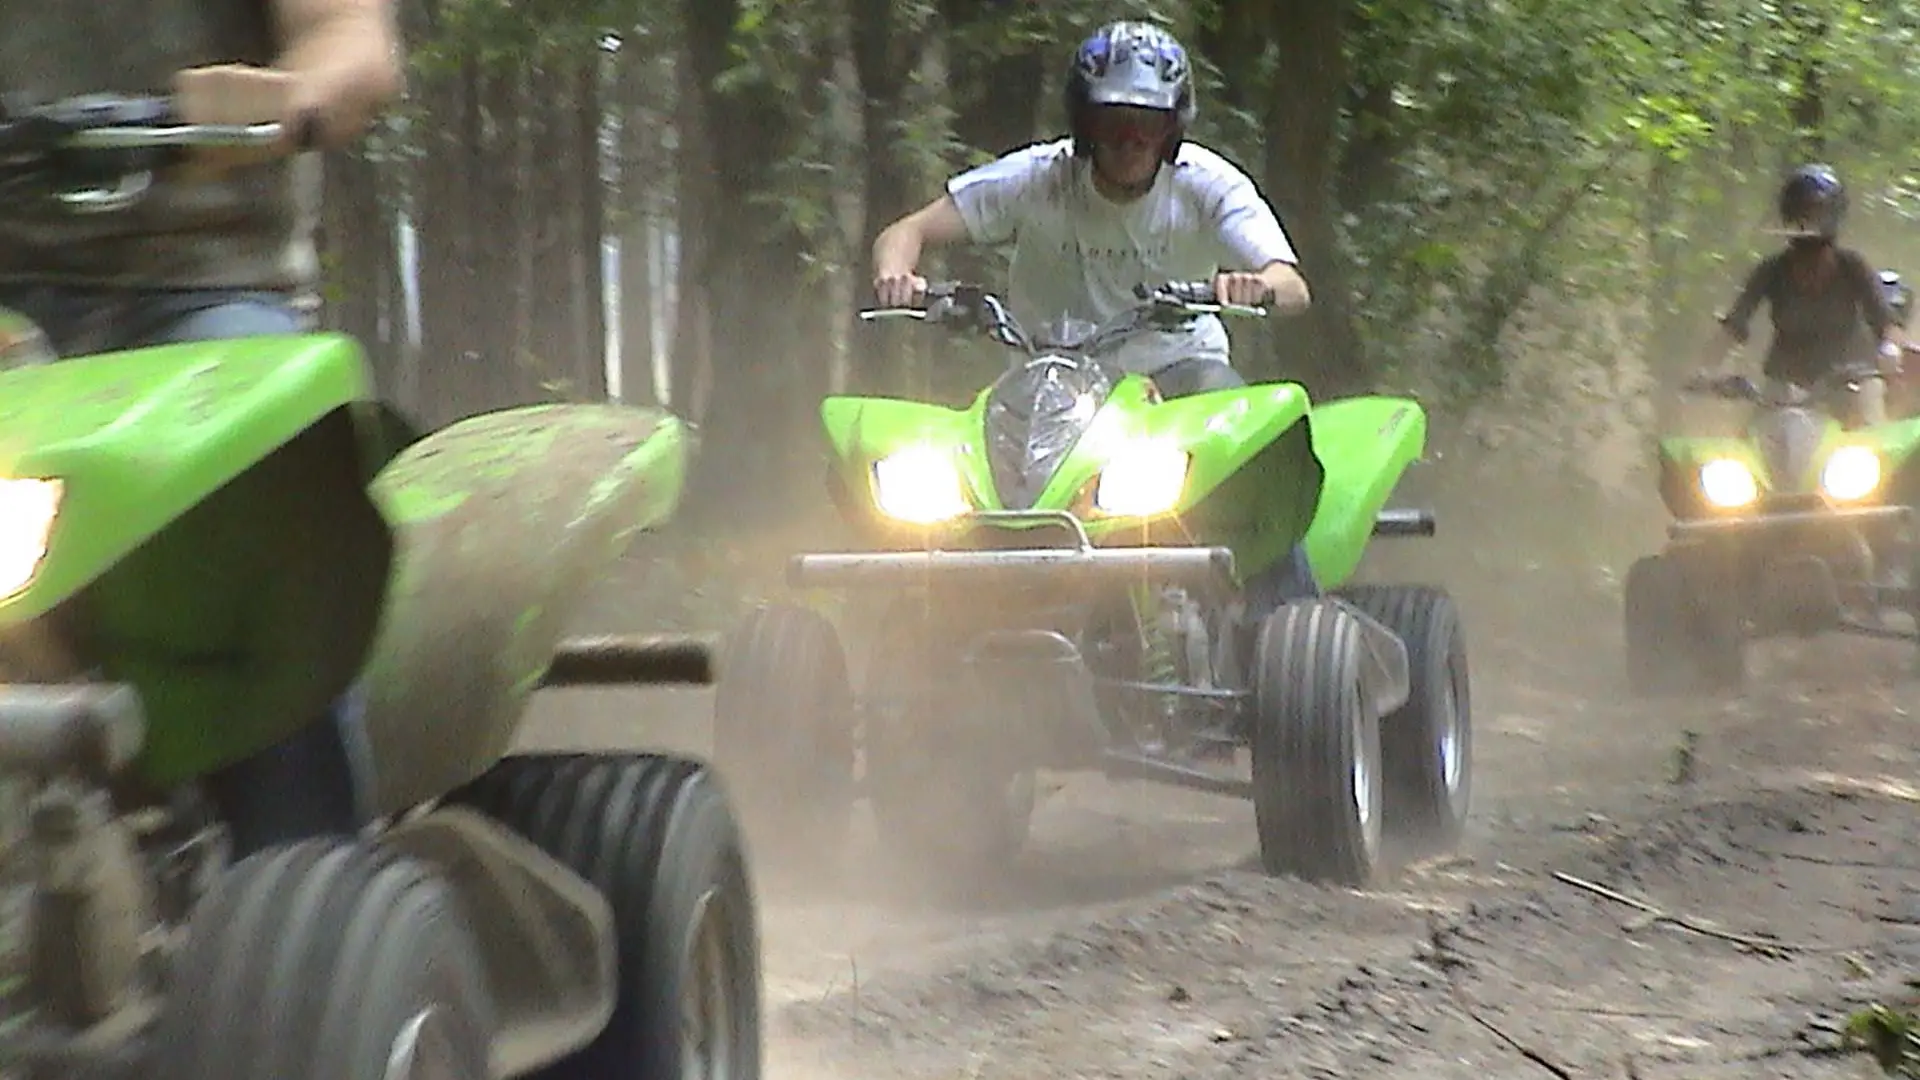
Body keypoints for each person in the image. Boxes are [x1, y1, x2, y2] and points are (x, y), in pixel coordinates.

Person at [0, 0, 405, 855]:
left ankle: (306, 871)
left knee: (272, 497)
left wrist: (293, 95)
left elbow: (350, 38)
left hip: (204, 292)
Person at [870, 19, 1309, 401]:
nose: (1129, 141)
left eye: (1147, 125)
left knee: (1234, 423)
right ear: (1085, 125)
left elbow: (1291, 285)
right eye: (1112, 122)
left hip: (1179, 373)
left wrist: (1258, 286)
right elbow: (906, 232)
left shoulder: (1208, 185)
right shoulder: (1037, 178)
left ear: (1172, 130)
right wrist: (896, 276)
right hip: (1049, 381)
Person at [1703, 163, 1907, 427]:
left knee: (1871, 438)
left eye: (1815, 212)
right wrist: (1705, 369)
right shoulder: (1771, 270)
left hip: (1851, 384)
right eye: (1800, 212)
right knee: (1750, 443)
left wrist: (1890, 349)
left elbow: (1887, 323)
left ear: (1833, 214)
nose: (1808, 221)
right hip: (1783, 389)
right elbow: (1734, 325)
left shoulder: (1852, 266)